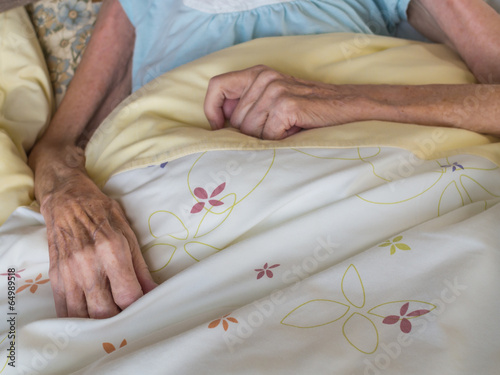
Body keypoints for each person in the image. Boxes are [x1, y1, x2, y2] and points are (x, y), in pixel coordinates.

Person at [27, 0, 500, 319]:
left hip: (364, 161)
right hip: (177, 185)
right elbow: (55, 146)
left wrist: (339, 100)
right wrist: (63, 194)